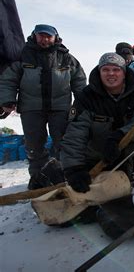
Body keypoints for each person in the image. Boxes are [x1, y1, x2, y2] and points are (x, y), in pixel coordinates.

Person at [0, 24, 86, 189]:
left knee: (64, 143)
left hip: (60, 108)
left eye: (48, 36)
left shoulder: (66, 57)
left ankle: (63, 176)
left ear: (55, 37)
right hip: (31, 108)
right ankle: (38, 180)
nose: (45, 39)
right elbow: (8, 80)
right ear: (35, 36)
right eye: (41, 36)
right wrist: (7, 100)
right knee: (34, 145)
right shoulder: (23, 55)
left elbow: (79, 81)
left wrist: (82, 102)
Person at [61, 52, 134, 193]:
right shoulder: (86, 97)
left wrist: (119, 136)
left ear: (124, 73)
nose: (111, 74)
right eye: (106, 70)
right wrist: (74, 169)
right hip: (96, 158)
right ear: (99, 72)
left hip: (129, 157)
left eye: (116, 70)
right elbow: (75, 134)